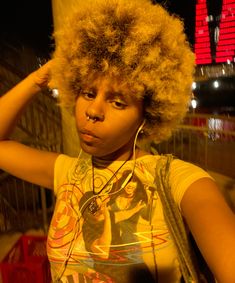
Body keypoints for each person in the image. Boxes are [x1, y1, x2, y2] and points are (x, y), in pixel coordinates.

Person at [0, 0, 235, 282]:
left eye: (118, 102)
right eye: (88, 93)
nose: (93, 111)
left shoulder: (178, 181)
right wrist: (36, 80)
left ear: (147, 115)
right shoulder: (66, 173)